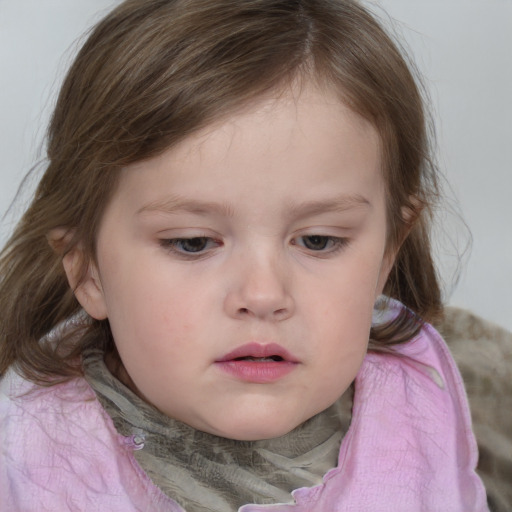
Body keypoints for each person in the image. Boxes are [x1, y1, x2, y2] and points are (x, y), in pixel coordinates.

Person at [0, 0, 489, 510]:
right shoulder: (29, 463)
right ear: (87, 268)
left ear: (388, 251)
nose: (263, 295)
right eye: (192, 242)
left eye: (319, 240)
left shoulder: (419, 406)